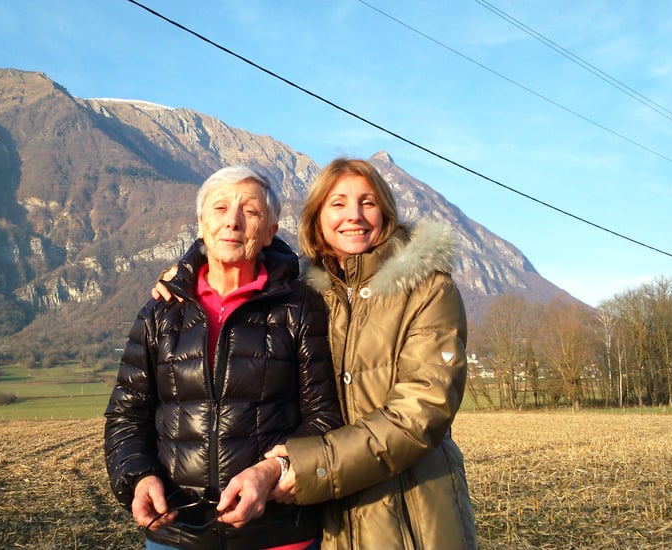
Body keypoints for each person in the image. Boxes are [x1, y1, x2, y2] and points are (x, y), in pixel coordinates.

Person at [156, 158, 477, 549]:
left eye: (368, 202)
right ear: (317, 219)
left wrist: (308, 467)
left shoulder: (428, 290)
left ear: (387, 213)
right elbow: (252, 250)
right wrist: (190, 270)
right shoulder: (306, 294)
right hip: (330, 522)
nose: (354, 216)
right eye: (338, 204)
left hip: (411, 513)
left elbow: (420, 412)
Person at [104, 165, 343, 550]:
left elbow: (325, 415)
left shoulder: (299, 308)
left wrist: (273, 469)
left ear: (269, 231)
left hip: (277, 533)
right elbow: (127, 414)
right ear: (200, 225)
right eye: (219, 208)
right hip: (177, 532)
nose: (232, 221)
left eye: (250, 211)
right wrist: (138, 478)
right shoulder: (161, 311)